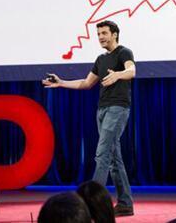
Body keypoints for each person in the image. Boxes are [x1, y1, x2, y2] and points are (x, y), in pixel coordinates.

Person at [44, 20, 136, 217]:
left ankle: (91, 205)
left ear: (114, 34)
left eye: (104, 33)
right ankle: (125, 203)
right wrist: (61, 83)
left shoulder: (124, 52)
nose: (100, 37)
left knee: (102, 154)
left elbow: (131, 71)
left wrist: (118, 75)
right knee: (113, 158)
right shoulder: (100, 59)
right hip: (102, 110)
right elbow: (86, 83)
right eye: (99, 34)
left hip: (118, 108)